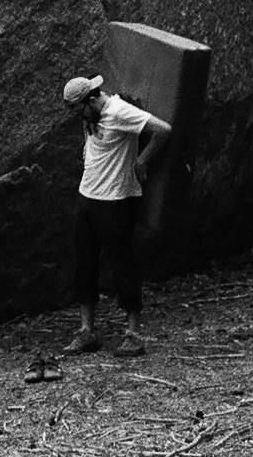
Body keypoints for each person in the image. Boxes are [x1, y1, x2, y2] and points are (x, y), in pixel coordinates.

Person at [59, 73, 171, 359]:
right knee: (84, 264)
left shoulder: (120, 111)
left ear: (93, 99)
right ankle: (87, 331)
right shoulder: (92, 116)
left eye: (79, 109)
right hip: (87, 197)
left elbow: (162, 129)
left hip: (115, 200)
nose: (79, 116)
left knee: (122, 263)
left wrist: (142, 161)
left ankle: (133, 334)